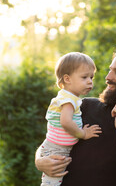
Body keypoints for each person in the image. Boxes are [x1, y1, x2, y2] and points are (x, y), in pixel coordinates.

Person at [35, 46, 116, 186]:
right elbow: (52, 140)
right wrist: (39, 161)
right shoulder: (85, 107)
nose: (108, 77)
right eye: (110, 70)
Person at [38, 52, 102, 186]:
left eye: (91, 77)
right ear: (67, 79)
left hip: (54, 146)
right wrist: (83, 134)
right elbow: (66, 122)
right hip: (57, 150)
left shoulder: (67, 98)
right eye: (84, 77)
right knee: (52, 183)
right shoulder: (69, 100)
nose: (90, 81)